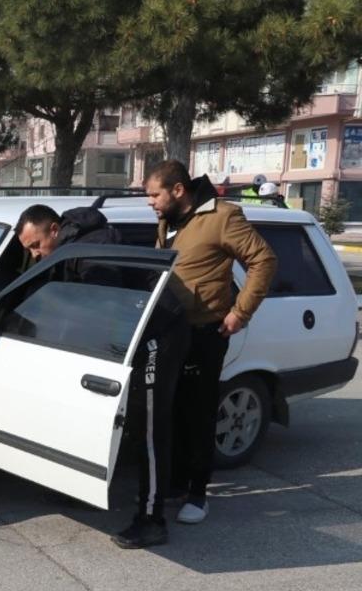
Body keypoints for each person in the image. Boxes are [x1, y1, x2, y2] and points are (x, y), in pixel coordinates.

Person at [114, 159, 275, 548]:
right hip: (168, 330)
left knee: (198, 412)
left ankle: (198, 493)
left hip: (205, 331)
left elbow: (264, 260)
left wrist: (240, 313)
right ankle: (173, 484)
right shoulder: (170, 220)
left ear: (178, 190)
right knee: (167, 410)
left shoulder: (221, 216)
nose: (150, 202)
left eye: (154, 194)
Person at [14, 203, 122, 285]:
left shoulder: (90, 250)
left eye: (35, 245)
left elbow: (99, 299)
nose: (34, 254)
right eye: (29, 250)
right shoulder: (60, 253)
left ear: (54, 230)